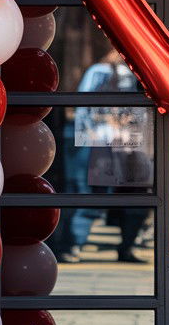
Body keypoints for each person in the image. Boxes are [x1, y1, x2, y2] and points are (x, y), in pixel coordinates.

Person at [55, 49, 151, 265]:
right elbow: (85, 108)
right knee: (88, 192)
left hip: (127, 143)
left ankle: (125, 246)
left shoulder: (139, 77)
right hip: (100, 141)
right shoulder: (101, 72)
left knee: (134, 195)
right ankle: (72, 245)